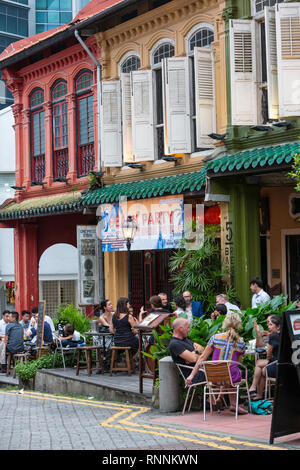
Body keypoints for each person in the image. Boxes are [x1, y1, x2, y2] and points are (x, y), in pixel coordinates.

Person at [186, 313, 248, 414]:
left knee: (224, 371)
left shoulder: (215, 338)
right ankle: (233, 404)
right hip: (230, 378)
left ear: (225, 323)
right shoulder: (241, 343)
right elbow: (237, 362)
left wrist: (191, 376)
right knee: (232, 371)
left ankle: (218, 398)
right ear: (238, 325)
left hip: (213, 377)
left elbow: (202, 357)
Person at [249, 315, 281, 401]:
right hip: (283, 363)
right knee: (261, 366)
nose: (268, 326)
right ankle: (257, 393)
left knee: (261, 366)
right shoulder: (281, 334)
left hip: (277, 365)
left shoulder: (273, 337)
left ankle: (253, 388)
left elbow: (269, 355)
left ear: (278, 326)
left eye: (270, 324)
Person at [169, 318, 205, 384]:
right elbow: (193, 359)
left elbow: (202, 349)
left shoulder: (185, 339)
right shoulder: (174, 344)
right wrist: (197, 352)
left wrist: (193, 354)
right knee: (222, 374)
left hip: (202, 369)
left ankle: (218, 394)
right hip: (194, 375)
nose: (189, 330)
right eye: (187, 327)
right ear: (180, 329)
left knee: (224, 372)